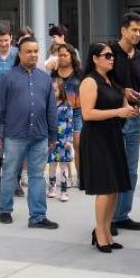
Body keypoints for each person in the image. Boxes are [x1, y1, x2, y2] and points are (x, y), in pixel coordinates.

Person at [0, 37, 58, 229]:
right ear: (19, 54)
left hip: (39, 136)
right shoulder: (8, 77)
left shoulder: (45, 78)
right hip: (14, 136)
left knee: (37, 176)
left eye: (36, 51)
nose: (33, 55)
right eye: (28, 51)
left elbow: (51, 110)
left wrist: (53, 135)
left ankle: (38, 216)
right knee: (10, 174)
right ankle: (5, 210)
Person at [80, 42, 138, 253]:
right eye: (106, 55)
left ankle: (106, 231)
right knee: (104, 188)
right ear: (95, 58)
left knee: (114, 187)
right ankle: (99, 231)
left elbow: (121, 106)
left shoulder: (112, 81)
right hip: (97, 138)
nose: (111, 58)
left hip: (112, 135)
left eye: (112, 55)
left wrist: (129, 109)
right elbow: (87, 114)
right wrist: (118, 113)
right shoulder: (89, 81)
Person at [109, 12, 140, 233]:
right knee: (114, 169)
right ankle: (109, 218)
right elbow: (98, 82)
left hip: (134, 119)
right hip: (113, 120)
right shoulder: (109, 53)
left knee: (131, 170)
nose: (137, 34)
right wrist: (121, 91)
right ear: (123, 30)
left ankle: (122, 215)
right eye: (134, 29)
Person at [50, 43, 84, 183]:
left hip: (76, 112)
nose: (62, 58)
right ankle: (60, 177)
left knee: (78, 143)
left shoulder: (79, 73)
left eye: (65, 55)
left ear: (71, 56)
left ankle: (81, 177)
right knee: (59, 145)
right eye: (60, 55)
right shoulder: (53, 73)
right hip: (59, 113)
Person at [47, 79, 75, 202]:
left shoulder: (66, 105)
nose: (53, 93)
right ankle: (52, 188)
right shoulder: (47, 105)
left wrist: (69, 140)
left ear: (61, 91)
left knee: (63, 167)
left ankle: (64, 191)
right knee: (52, 166)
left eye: (55, 90)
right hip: (52, 142)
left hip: (64, 142)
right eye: (51, 90)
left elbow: (70, 123)